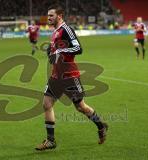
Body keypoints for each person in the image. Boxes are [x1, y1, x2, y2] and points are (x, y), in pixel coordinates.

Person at [35, 5, 108, 151]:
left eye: (51, 15)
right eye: (48, 16)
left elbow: (78, 48)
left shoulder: (66, 29)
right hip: (56, 76)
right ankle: (51, 141)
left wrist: (59, 51)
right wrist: (52, 52)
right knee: (46, 104)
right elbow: (57, 52)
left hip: (69, 76)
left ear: (59, 16)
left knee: (80, 107)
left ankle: (101, 126)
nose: (48, 18)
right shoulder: (55, 31)